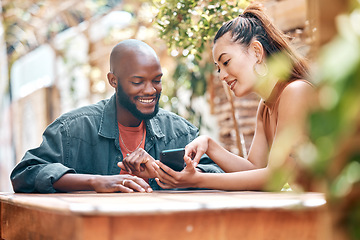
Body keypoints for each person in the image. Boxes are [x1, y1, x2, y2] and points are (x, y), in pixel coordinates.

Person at [10, 39, 222, 193]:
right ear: (113, 80)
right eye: (137, 82)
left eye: (156, 80)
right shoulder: (73, 129)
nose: (150, 90)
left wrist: (160, 171)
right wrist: (95, 182)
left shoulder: (179, 131)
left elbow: (219, 175)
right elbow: (25, 174)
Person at [151, 3, 316, 191]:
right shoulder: (266, 107)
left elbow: (274, 177)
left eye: (226, 62)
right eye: (218, 68)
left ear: (256, 51)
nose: (221, 76)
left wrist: (198, 180)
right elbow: (254, 169)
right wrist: (209, 145)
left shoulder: (296, 92)